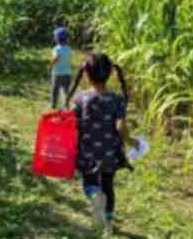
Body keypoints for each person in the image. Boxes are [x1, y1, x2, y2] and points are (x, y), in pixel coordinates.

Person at [66, 53, 139, 235]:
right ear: (109, 75)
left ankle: (94, 196)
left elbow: (72, 125)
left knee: (90, 183)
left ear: (86, 74)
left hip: (87, 152)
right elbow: (120, 126)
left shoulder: (80, 99)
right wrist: (131, 141)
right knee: (108, 186)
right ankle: (108, 225)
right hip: (110, 153)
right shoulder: (116, 100)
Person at [49, 27, 73, 109]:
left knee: (55, 90)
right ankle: (67, 105)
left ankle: (53, 105)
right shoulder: (69, 48)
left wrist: (51, 65)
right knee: (66, 90)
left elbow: (56, 57)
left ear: (57, 39)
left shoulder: (56, 48)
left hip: (57, 74)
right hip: (68, 73)